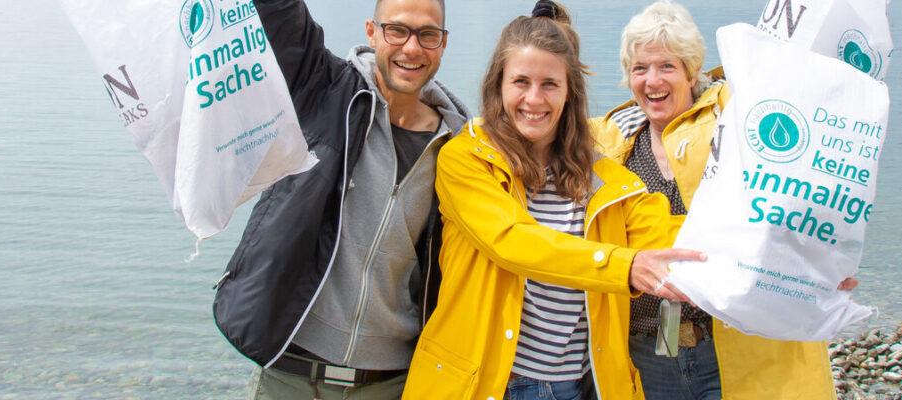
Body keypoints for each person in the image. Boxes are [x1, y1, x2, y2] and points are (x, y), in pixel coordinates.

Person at [402, 2, 703, 399]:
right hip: (489, 384)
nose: (533, 99)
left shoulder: (601, 175)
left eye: (549, 84)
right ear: (498, 85)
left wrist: (772, 228)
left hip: (576, 387)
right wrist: (623, 267)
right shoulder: (466, 159)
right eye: (520, 81)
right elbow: (512, 240)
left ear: (568, 92)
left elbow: (669, 234)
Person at [590, 1, 855, 398]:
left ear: (693, 71)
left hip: (734, 344)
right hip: (652, 347)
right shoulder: (615, 142)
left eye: (667, 66)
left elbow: (795, 195)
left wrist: (822, 264)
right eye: (640, 68)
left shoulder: (735, 122)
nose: (652, 81)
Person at [211, 0, 470, 399]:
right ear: (371, 31)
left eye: (427, 34)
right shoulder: (323, 88)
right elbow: (277, 13)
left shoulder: (458, 150)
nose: (412, 48)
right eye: (396, 30)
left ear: (443, 43)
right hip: (291, 374)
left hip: (393, 384)